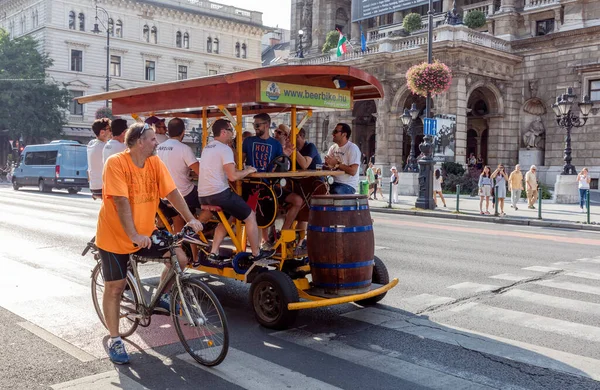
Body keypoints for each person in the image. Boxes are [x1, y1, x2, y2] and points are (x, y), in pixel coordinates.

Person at [95, 122, 204, 364]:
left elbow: (173, 192)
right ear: (139, 141)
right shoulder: (116, 163)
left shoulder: (155, 163)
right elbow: (121, 202)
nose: (157, 143)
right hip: (115, 236)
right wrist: (133, 235)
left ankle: (161, 294)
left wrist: (191, 219)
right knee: (115, 286)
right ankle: (115, 339)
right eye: (153, 139)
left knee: (181, 258)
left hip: (145, 231)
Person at [199, 119, 274, 264]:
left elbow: (227, 171)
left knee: (227, 219)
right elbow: (232, 176)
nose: (232, 135)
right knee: (251, 216)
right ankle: (256, 253)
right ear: (223, 132)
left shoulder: (207, 147)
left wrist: (241, 171)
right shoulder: (224, 149)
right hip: (219, 194)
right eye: (231, 131)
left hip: (204, 196)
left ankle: (214, 253)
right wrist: (248, 171)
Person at [242, 113, 303, 238]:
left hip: (270, 185)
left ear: (267, 125)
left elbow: (280, 164)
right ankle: (264, 241)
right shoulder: (248, 141)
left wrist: (286, 155)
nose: (255, 128)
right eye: (254, 125)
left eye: (257, 125)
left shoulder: (275, 144)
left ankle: (282, 235)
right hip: (253, 185)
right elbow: (239, 161)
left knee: (298, 200)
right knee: (265, 207)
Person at [156, 118, 201, 234]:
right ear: (183, 132)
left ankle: (179, 249)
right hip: (184, 195)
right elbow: (200, 172)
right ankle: (196, 227)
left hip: (164, 197)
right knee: (212, 200)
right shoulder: (184, 149)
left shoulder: (158, 148)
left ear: (168, 131)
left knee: (178, 221)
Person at [324, 123, 361, 194]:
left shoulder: (352, 148)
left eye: (335, 132)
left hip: (347, 185)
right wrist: (327, 164)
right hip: (332, 182)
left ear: (344, 134)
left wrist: (337, 164)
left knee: (335, 193)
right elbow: (328, 166)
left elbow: (353, 171)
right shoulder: (333, 148)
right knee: (317, 191)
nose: (333, 134)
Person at [87, 118, 111, 200]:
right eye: (110, 129)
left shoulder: (91, 144)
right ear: (102, 132)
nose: (111, 131)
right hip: (102, 187)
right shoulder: (104, 147)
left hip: (93, 186)